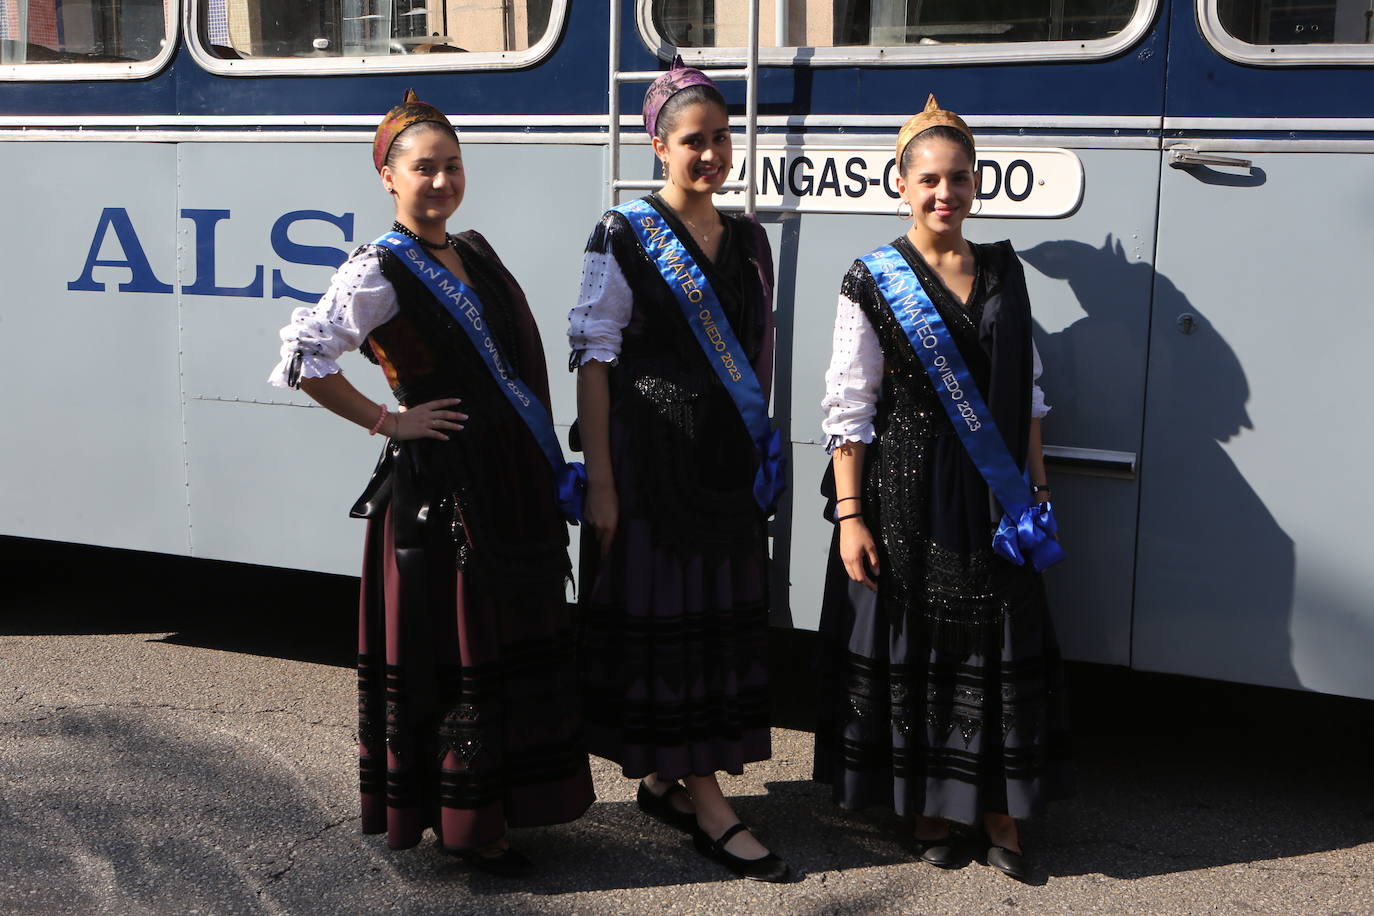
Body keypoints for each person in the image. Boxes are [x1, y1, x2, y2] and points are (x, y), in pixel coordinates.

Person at [267, 91, 593, 877]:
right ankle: (466, 821)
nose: (441, 180)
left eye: (451, 165)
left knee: (510, 635)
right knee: (458, 648)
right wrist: (389, 420)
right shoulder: (378, 268)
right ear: (388, 176)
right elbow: (304, 359)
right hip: (445, 491)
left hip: (506, 480)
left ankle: (508, 798)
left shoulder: (472, 252)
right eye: (423, 168)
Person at [812, 95, 1073, 882]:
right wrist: (850, 517)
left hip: (994, 497)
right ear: (901, 183)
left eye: (959, 179)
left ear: (976, 182)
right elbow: (849, 408)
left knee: (998, 643)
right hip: (904, 492)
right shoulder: (871, 278)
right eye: (928, 180)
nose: (944, 195)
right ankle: (930, 807)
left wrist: (1038, 488)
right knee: (923, 647)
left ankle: (998, 813)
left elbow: (1025, 392)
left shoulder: (1003, 268)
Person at [567, 59, 790, 883]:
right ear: (659, 145)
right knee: (674, 619)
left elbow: (758, 353)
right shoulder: (621, 234)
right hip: (651, 460)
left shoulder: (750, 238)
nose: (710, 154)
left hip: (724, 464)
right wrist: (601, 479)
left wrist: (763, 444)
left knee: (714, 620)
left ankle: (669, 776)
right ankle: (708, 801)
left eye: (721, 139)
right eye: (693, 141)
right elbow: (595, 357)